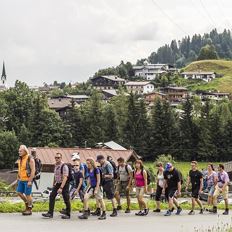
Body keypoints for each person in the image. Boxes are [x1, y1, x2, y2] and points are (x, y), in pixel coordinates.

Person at [42, 153, 71, 219]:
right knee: (52, 196)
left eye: (58, 157)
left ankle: (68, 214)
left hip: (64, 183)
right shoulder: (55, 165)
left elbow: (65, 177)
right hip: (57, 183)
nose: (57, 159)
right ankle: (50, 213)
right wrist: (54, 183)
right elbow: (55, 175)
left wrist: (61, 187)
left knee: (66, 198)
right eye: (56, 157)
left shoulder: (64, 166)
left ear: (61, 158)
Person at [17, 145, 35, 216]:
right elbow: (20, 169)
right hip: (21, 179)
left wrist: (30, 180)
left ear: (25, 151)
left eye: (20, 151)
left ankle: (29, 209)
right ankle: (28, 204)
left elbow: (33, 170)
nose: (19, 152)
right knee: (19, 192)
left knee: (27, 194)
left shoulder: (29, 158)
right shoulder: (20, 158)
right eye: (19, 151)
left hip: (28, 180)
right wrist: (18, 177)